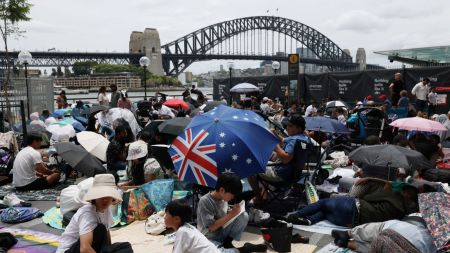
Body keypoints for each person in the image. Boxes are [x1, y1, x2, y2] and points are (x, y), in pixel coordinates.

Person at [286, 183, 419, 227]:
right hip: (352, 222)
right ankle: (309, 220)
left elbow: (367, 197)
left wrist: (384, 190)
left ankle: (296, 215)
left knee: (323, 203)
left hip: (355, 207)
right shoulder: (404, 214)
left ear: (406, 193)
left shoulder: (394, 195)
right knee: (326, 212)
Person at [56, 174, 124, 253]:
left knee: (125, 246)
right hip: (70, 250)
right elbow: (84, 249)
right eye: (101, 195)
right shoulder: (87, 213)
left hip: (91, 247)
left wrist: (109, 249)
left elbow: (107, 233)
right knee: (99, 230)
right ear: (95, 197)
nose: (105, 200)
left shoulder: (106, 209)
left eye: (108, 195)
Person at [166, 200, 266, 253]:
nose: (164, 217)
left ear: (176, 219)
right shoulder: (186, 228)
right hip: (212, 240)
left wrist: (230, 214)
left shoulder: (182, 232)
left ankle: (246, 248)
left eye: (167, 215)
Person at [197, 173, 252, 249]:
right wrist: (231, 215)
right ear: (222, 190)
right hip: (208, 236)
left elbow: (223, 216)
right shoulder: (205, 201)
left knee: (244, 216)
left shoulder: (223, 198)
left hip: (221, 231)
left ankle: (227, 242)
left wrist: (229, 213)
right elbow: (211, 227)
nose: (233, 198)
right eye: (232, 195)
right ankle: (241, 249)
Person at [331, 215, 436, 253]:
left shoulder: (428, 227)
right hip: (413, 246)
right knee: (376, 245)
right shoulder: (440, 240)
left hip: (394, 229)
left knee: (374, 230)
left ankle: (347, 234)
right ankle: (349, 244)